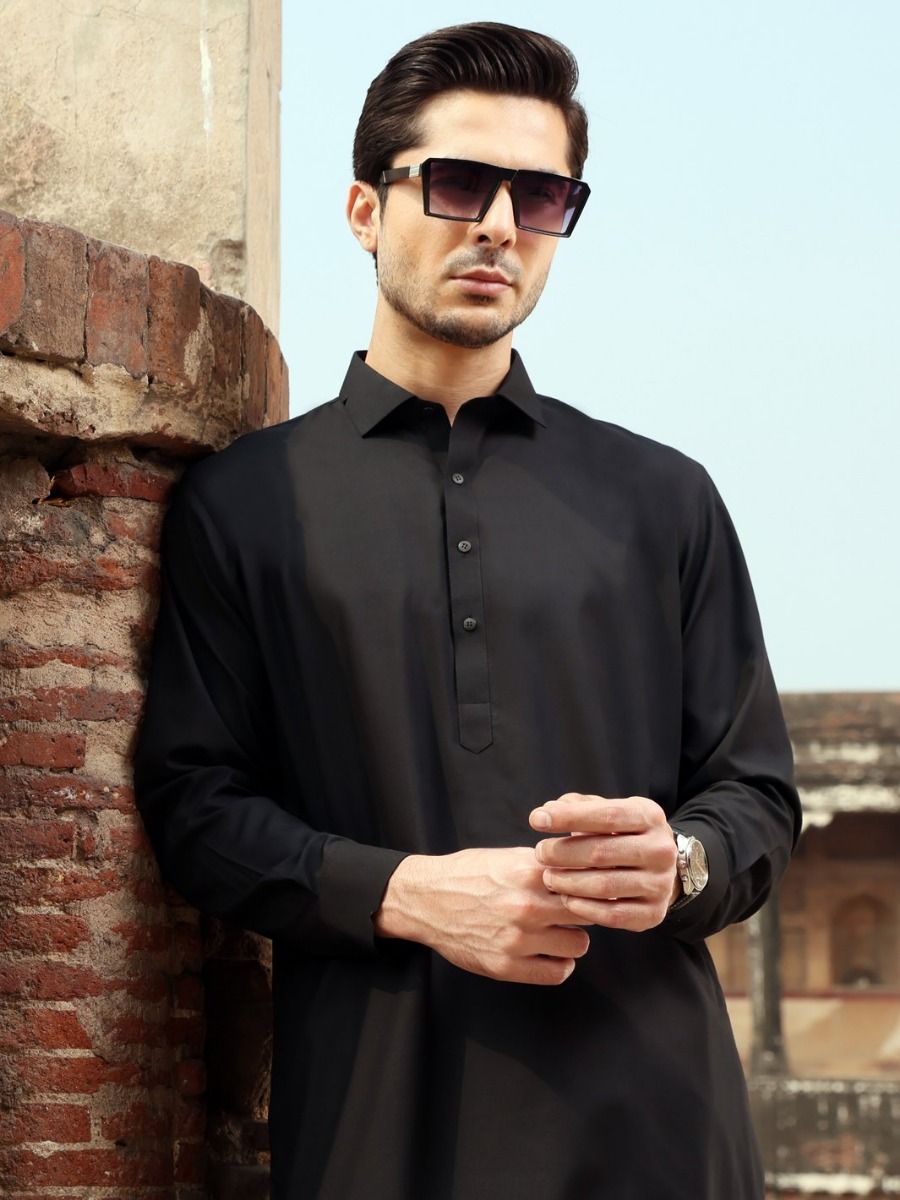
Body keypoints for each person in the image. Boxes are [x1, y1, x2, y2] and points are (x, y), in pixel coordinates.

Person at [133, 21, 801, 1200]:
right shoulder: (246, 502)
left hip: (660, 1138)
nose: (499, 224)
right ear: (365, 210)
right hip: (375, 1133)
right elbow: (195, 806)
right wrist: (408, 896)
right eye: (457, 183)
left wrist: (679, 863)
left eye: (540, 197)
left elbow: (755, 795)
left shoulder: (663, 497)